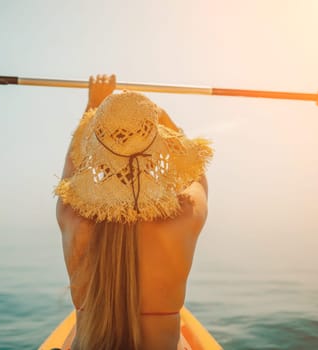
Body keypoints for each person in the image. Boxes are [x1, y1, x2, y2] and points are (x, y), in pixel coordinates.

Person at [55, 74, 213, 350]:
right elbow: (196, 172)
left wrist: (94, 105)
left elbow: (71, 168)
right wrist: (162, 118)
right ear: (157, 152)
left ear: (95, 154)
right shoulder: (183, 216)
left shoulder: (73, 216)